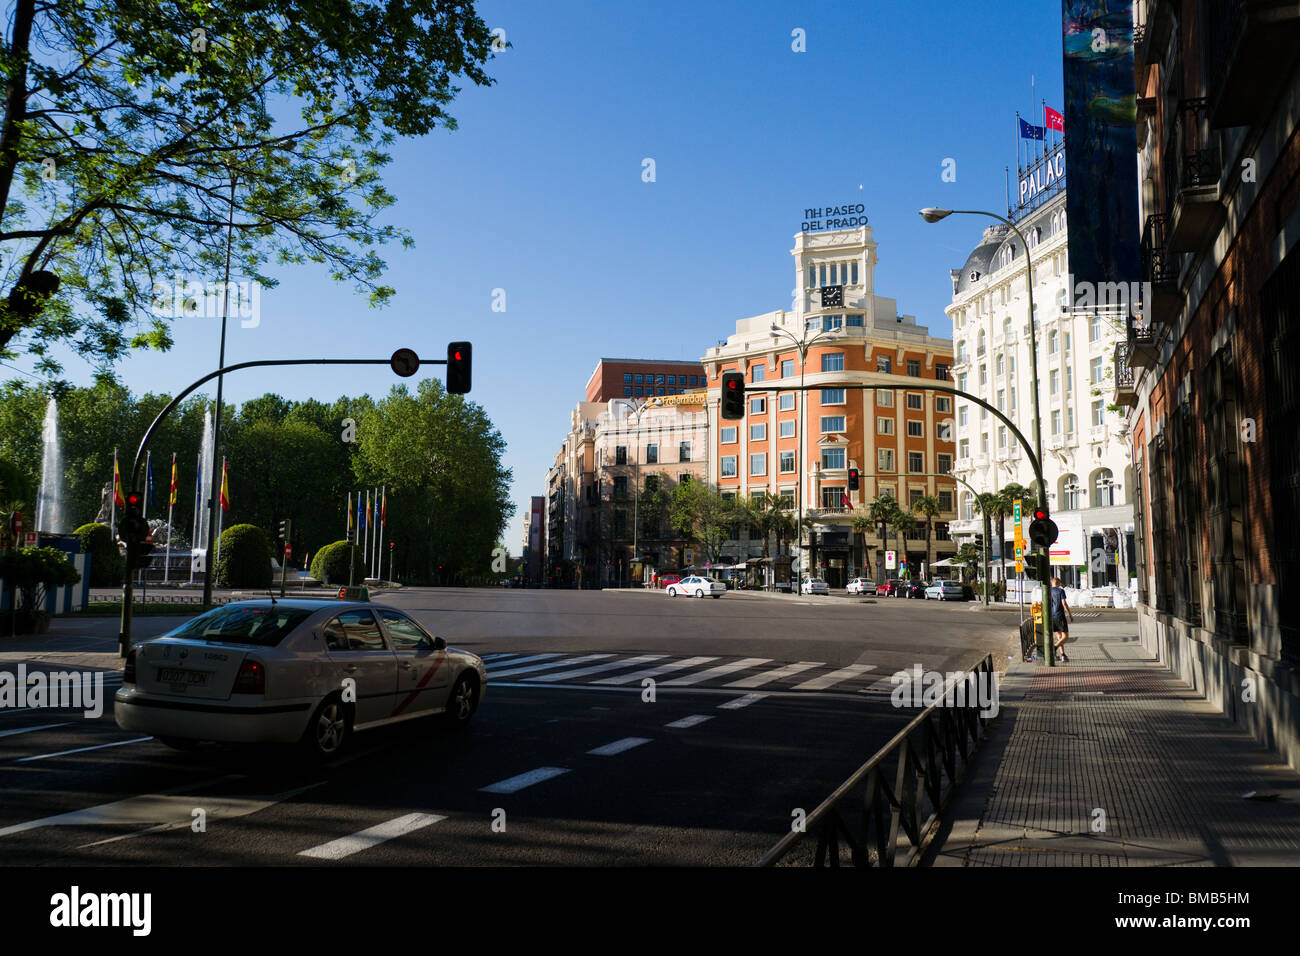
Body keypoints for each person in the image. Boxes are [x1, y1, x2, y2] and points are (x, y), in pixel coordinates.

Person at [1049, 577, 1074, 662]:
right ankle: (1054, 648)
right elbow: (1064, 603)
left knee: (1059, 637)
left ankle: (1063, 655)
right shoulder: (1060, 591)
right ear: (1058, 583)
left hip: (1052, 616)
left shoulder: (1049, 591)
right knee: (1065, 637)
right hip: (1060, 615)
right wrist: (1070, 614)